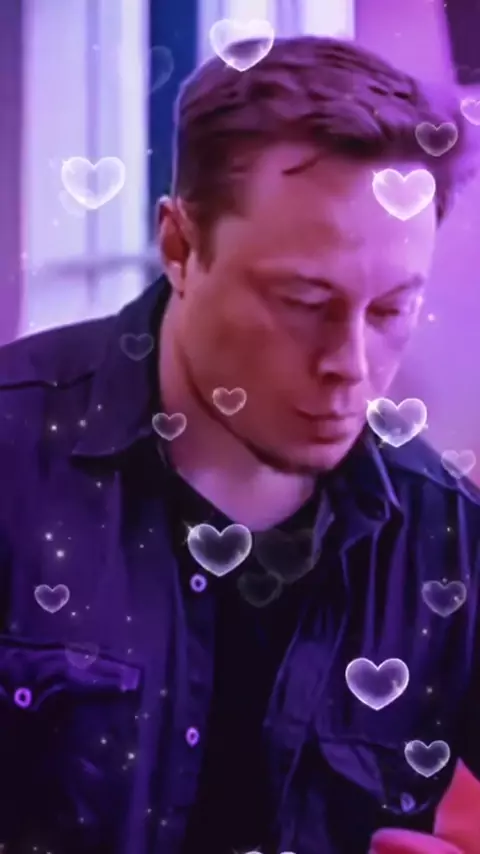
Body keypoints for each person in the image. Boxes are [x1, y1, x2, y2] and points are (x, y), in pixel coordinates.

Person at [0, 34, 480, 854]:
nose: (350, 366)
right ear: (180, 248)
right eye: (303, 302)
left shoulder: (448, 540)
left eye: (390, 310)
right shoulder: (15, 461)